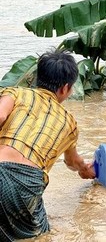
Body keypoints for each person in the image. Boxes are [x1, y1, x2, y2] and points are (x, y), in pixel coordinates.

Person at [0, 49, 95, 241]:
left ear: (37, 77)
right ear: (65, 89)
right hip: (24, 185)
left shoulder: (16, 93)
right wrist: (86, 170)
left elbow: (1, 116)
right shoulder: (69, 123)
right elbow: (72, 162)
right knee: (41, 234)